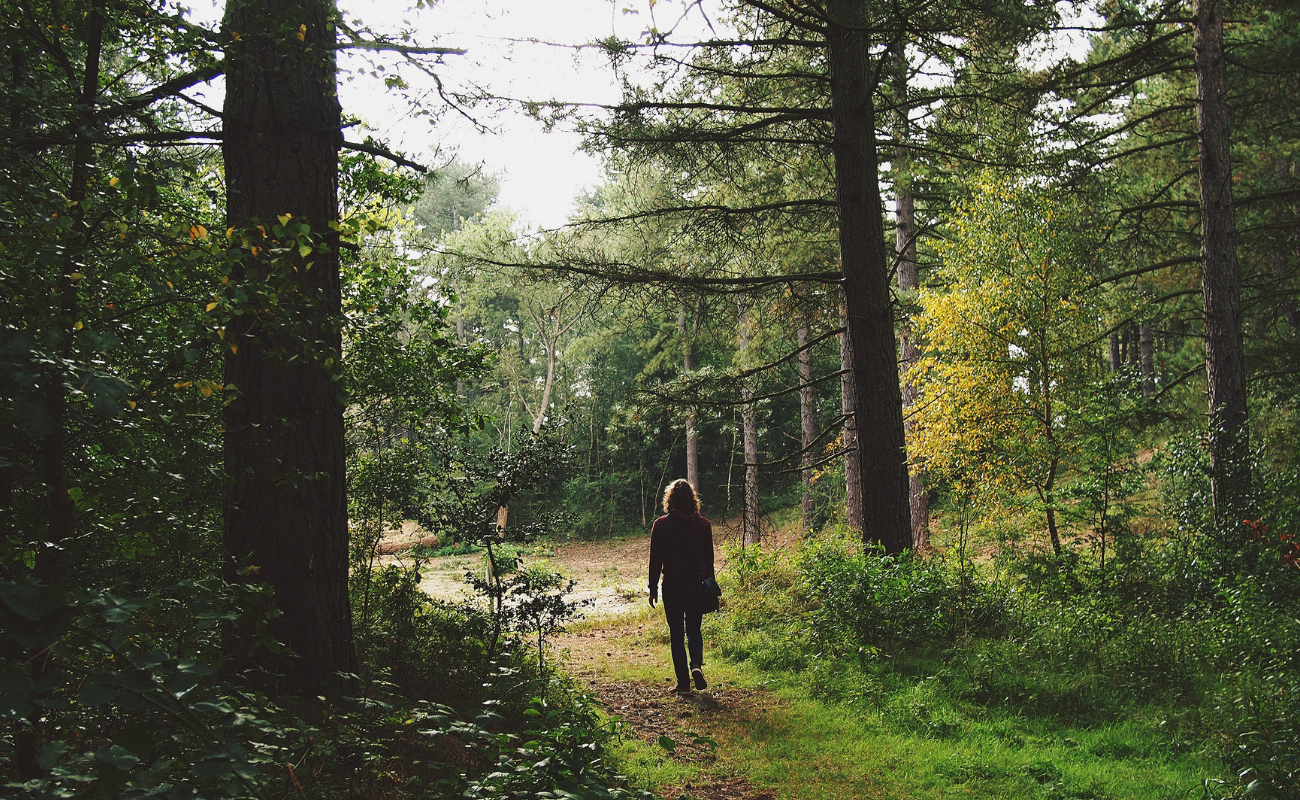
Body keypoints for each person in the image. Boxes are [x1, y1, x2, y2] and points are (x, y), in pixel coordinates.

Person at [647, 478, 715, 693]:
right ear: (692, 499)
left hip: (673, 587)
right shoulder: (704, 524)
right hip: (696, 586)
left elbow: (655, 560)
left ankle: (683, 684)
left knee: (676, 633)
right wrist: (711, 589)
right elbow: (709, 561)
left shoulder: (661, 525)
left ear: (670, 499)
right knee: (694, 628)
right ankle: (696, 665)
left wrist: (653, 587)